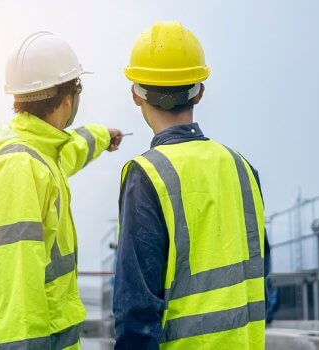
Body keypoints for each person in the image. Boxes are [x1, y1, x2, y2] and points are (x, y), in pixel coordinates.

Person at [0, 31, 124, 350]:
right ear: (69, 99)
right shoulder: (20, 167)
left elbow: (69, 150)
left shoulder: (38, 150)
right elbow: (16, 282)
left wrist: (102, 136)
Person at [113, 21, 271, 349]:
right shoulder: (242, 168)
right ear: (199, 90)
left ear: (135, 94)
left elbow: (137, 310)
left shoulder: (146, 175)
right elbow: (261, 274)